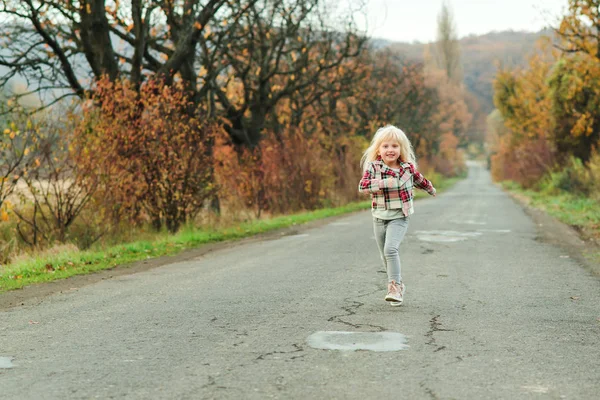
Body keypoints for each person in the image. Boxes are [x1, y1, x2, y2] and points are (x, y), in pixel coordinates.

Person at [358, 125, 436, 306]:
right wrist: (386, 183)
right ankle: (398, 284)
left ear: (401, 149)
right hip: (378, 216)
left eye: (394, 146)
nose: (390, 150)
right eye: (386, 146)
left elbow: (420, 180)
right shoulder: (373, 167)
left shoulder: (407, 168)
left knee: (390, 250)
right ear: (379, 149)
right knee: (384, 255)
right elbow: (363, 186)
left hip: (400, 216)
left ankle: (394, 286)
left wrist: (430, 188)